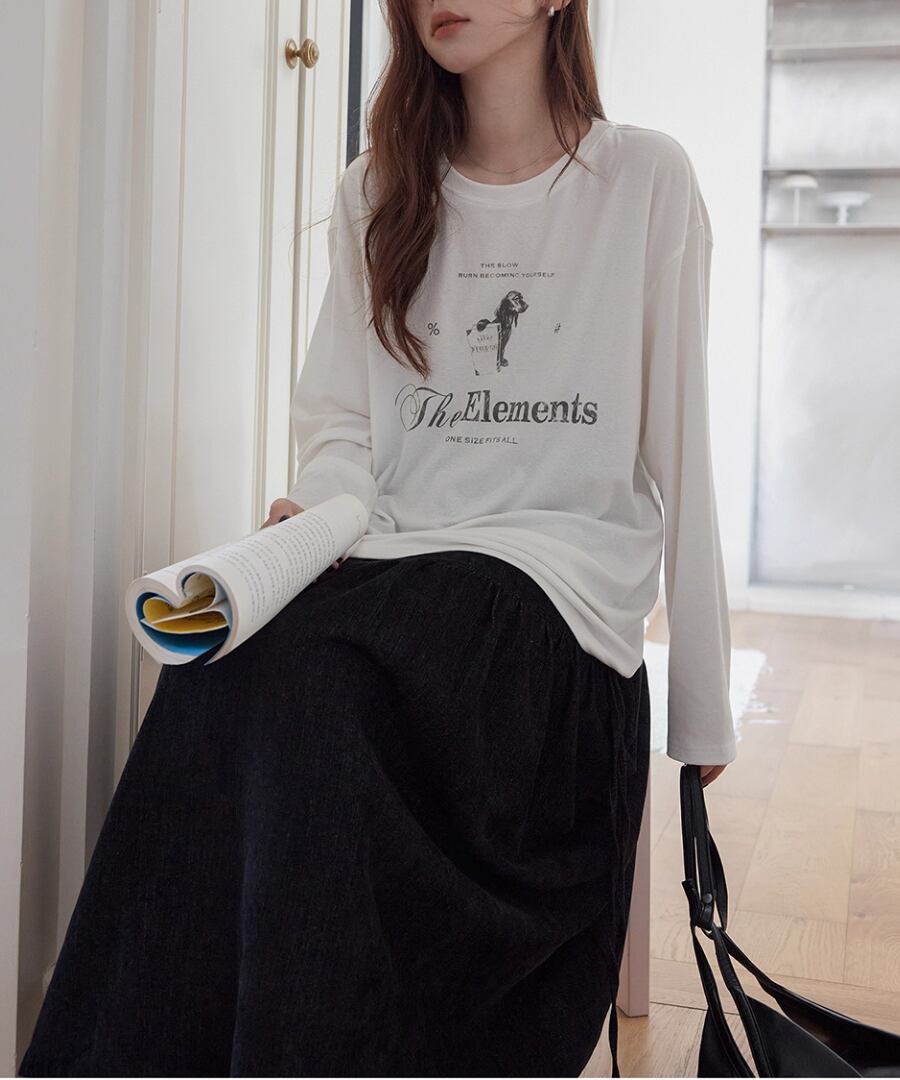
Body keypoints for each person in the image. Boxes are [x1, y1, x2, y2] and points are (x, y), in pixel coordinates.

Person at [19, 1, 736, 1076]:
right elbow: (343, 430)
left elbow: (684, 442)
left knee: (315, 678)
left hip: (552, 608)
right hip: (399, 577)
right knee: (220, 672)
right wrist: (314, 517)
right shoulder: (378, 192)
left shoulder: (644, 181)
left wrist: (703, 709)